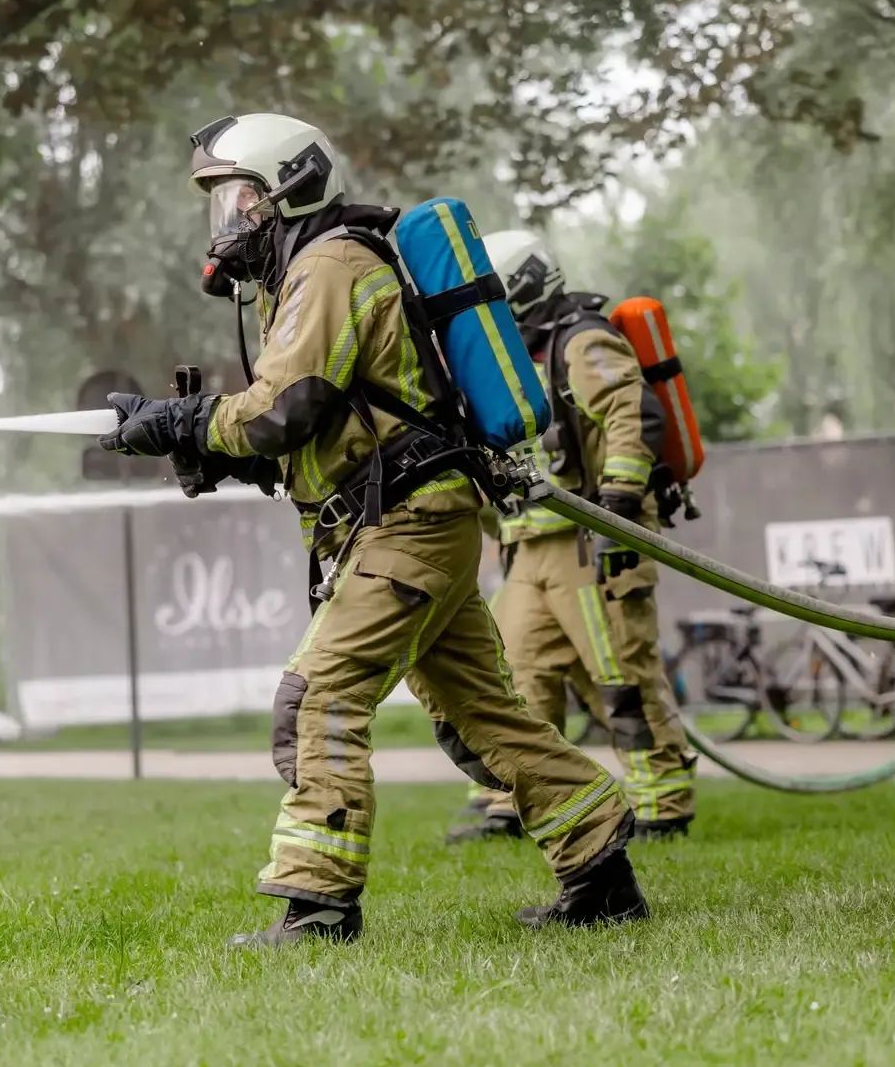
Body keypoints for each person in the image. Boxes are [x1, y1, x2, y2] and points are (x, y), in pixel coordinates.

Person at [99, 112, 647, 944]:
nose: (226, 222)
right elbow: (322, 428)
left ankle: (319, 902)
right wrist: (202, 446)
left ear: (288, 185)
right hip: (416, 520)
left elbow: (282, 410)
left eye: (236, 196)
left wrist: (179, 420)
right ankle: (599, 862)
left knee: (318, 696)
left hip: (409, 526)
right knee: (480, 712)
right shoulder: (312, 272)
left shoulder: (330, 266)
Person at [447, 230, 696, 841]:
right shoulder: (514, 364)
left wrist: (617, 508)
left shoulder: (582, 342)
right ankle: (510, 802)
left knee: (622, 676)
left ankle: (664, 803)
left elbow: (632, 414)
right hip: (530, 546)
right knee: (514, 679)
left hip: (592, 538)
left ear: (525, 287)